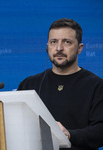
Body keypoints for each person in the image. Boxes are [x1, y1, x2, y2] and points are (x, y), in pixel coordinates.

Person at [18, 18, 103, 150]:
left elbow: (100, 130)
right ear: (47, 46)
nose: (59, 48)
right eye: (53, 42)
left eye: (67, 42)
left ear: (80, 48)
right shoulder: (29, 84)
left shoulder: (97, 86)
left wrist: (69, 135)